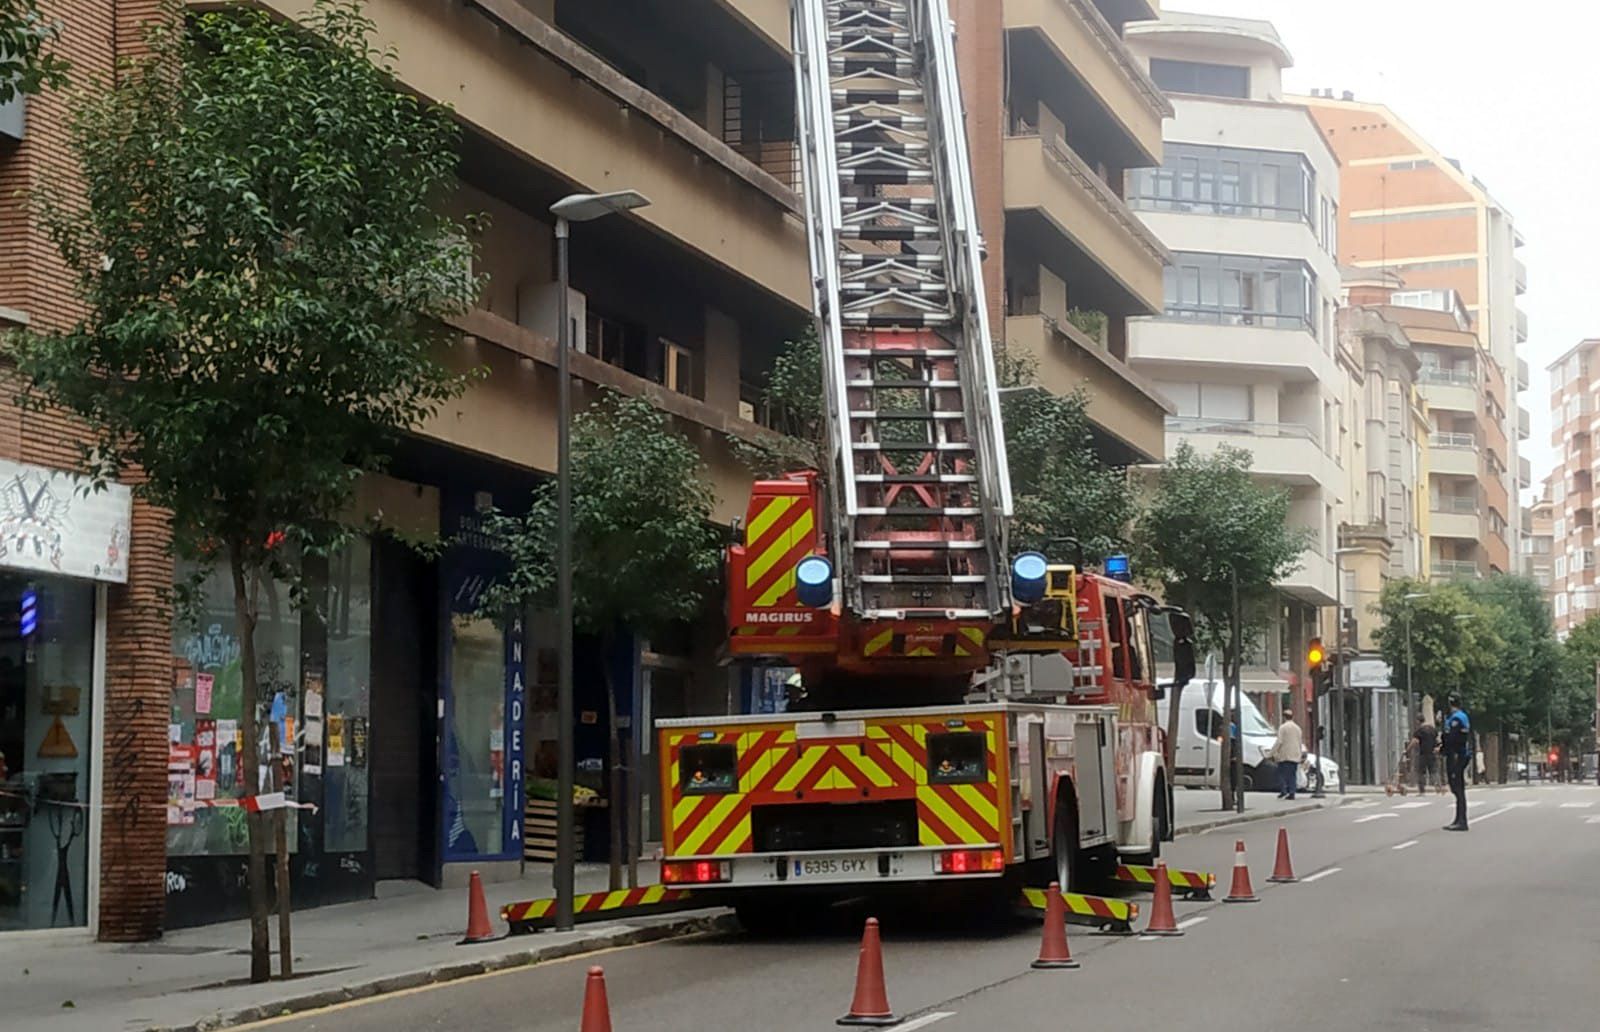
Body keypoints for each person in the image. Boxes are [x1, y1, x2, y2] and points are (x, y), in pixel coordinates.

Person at [1440, 695, 1472, 831]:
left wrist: (1443, 749)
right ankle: (1459, 819)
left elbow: (1452, 738)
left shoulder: (1456, 718)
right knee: (1457, 788)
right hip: (1457, 754)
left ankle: (1461, 821)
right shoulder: (1460, 716)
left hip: (1456, 755)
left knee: (1457, 788)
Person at [1272, 708, 1304, 800]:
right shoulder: (1298, 728)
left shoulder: (1283, 727)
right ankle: (1292, 792)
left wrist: (1271, 753)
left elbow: (1279, 742)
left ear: (1284, 717)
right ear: (1292, 717)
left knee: (1281, 773)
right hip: (1295, 755)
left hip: (1285, 755)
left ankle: (1284, 790)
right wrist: (1300, 754)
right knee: (1292, 775)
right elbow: (1299, 742)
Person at [1411, 717, 1437, 794]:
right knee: (1433, 771)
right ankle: (1438, 787)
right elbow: (1438, 740)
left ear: (1418, 721)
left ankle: (1422, 790)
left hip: (1423, 754)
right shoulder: (1432, 729)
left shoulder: (1419, 731)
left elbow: (1414, 741)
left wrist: (1407, 750)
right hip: (1432, 753)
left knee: (1421, 772)